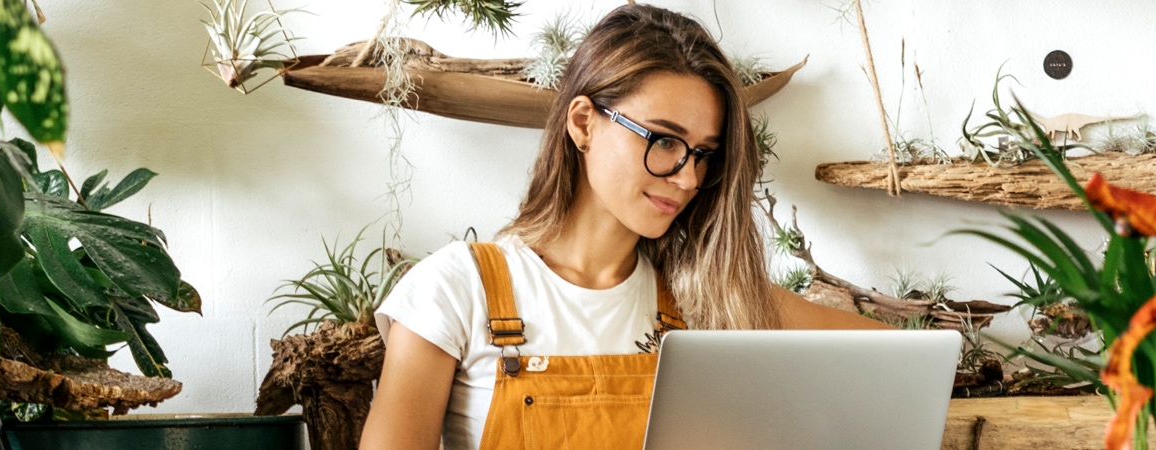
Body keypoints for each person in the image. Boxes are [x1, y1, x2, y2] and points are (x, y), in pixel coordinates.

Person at [359, 4, 890, 449]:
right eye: (663, 140)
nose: (687, 178)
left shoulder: (708, 298)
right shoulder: (453, 290)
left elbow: (896, 361)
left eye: (704, 154)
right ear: (583, 123)